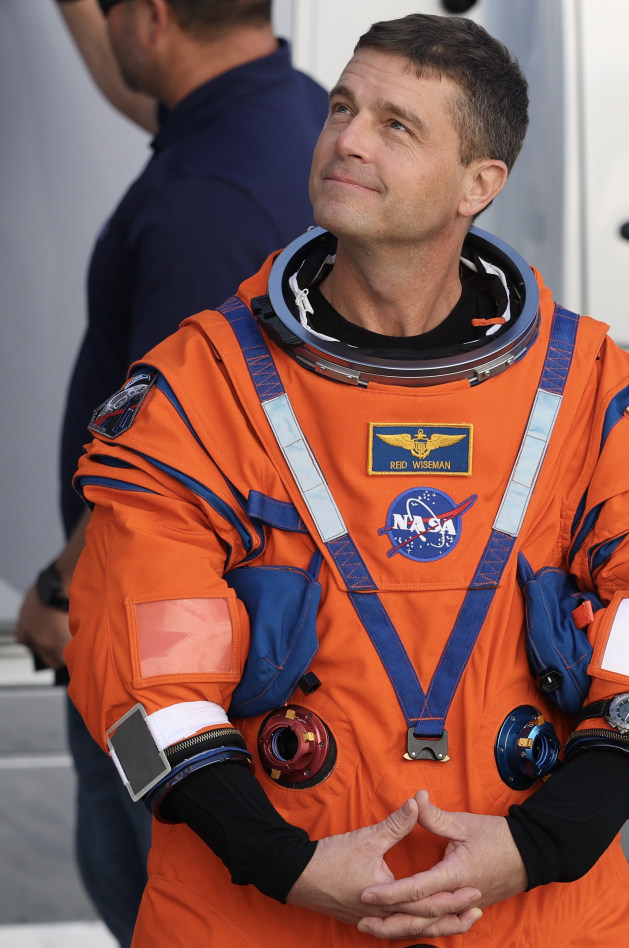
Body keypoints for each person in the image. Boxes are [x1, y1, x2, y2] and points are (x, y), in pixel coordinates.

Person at [65, 13, 629, 947]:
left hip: (530, 915)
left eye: (396, 124)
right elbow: (141, 672)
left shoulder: (586, 394)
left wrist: (541, 843)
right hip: (259, 913)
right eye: (343, 107)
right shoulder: (201, 390)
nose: (345, 138)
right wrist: (285, 864)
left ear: (480, 184)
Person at [13, 1, 326, 944]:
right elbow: (141, 92)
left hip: (160, 633)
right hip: (237, 609)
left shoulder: (208, 198)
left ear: (150, 17)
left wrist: (60, 593)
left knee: (149, 885)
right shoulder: (287, 114)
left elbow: (159, 458)